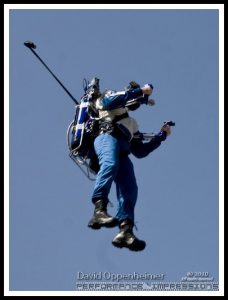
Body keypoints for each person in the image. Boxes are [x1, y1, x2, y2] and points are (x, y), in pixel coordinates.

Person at [86, 78, 172, 251]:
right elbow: (114, 100)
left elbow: (140, 151)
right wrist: (142, 91)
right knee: (109, 165)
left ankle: (126, 230)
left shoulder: (132, 123)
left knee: (130, 188)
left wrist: (161, 137)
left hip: (123, 150)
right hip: (106, 138)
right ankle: (99, 211)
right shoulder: (108, 96)